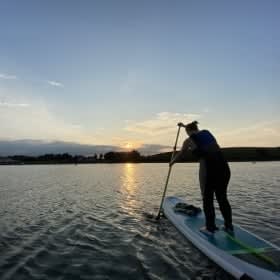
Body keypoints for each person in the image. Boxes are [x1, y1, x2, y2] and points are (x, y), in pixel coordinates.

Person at [170, 121, 233, 235]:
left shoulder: (188, 141)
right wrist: (184, 126)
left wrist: (172, 162)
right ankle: (228, 226)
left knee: (207, 198)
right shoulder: (207, 132)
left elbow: (181, 154)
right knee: (222, 198)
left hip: (210, 169)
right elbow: (194, 131)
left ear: (187, 132)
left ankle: (210, 228)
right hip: (224, 168)